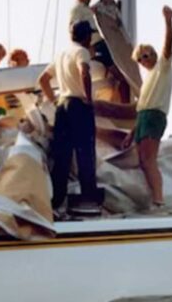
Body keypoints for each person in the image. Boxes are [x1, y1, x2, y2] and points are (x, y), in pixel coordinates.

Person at [38, 21, 98, 211]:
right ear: (86, 36)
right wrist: (89, 99)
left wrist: (53, 100)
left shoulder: (61, 54)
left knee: (62, 155)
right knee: (85, 152)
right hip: (78, 105)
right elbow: (84, 72)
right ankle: (88, 198)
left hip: (62, 106)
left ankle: (56, 201)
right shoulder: (82, 52)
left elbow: (43, 79)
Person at [122, 6, 172, 209]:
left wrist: (168, 22)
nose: (143, 61)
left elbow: (168, 46)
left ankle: (158, 199)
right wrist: (130, 133)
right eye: (140, 59)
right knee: (143, 160)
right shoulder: (147, 81)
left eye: (145, 55)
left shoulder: (163, 67)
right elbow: (141, 108)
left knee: (149, 159)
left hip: (154, 116)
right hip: (143, 117)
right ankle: (152, 198)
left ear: (152, 53)